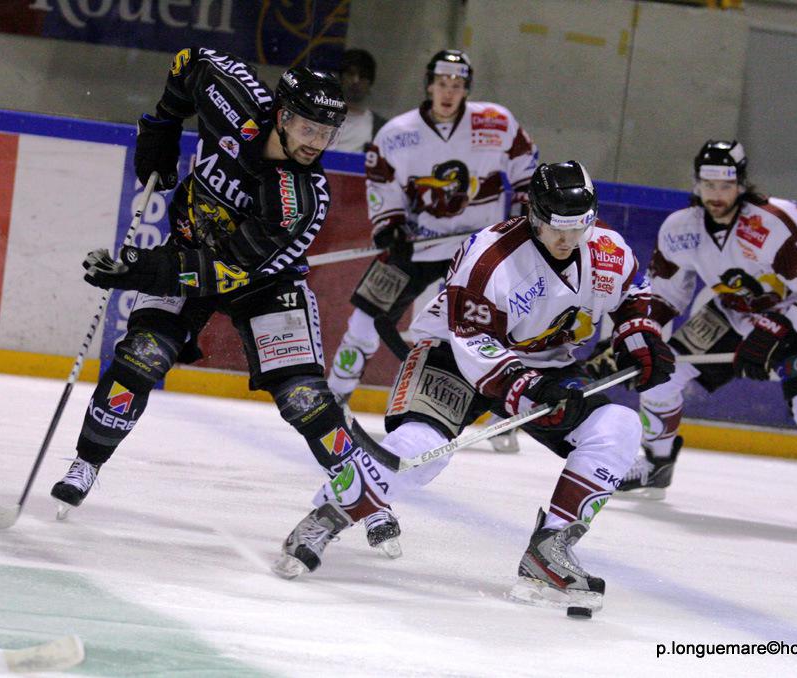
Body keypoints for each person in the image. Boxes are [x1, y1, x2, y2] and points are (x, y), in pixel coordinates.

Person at [276, 161, 676, 612]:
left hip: (542, 365)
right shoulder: (490, 258)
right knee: (419, 451)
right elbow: (474, 344)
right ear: (533, 215)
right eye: (555, 229)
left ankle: (551, 546)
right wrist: (529, 388)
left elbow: (633, 295)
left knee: (619, 425)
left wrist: (640, 337)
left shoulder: (608, 250)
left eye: (577, 227)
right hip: (453, 354)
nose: (567, 240)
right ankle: (327, 516)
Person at [50, 48, 399, 556]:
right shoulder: (234, 99)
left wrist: (137, 270)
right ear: (282, 115)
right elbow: (189, 62)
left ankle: (364, 497)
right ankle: (87, 462)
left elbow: (226, 271)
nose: (316, 143)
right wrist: (164, 125)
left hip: (264, 283)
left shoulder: (301, 199)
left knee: (303, 396)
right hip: (190, 246)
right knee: (142, 356)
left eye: (328, 134)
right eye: (308, 128)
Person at [590, 139, 797, 545]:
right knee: (663, 375)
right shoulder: (681, 230)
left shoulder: (775, 222)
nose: (716, 195)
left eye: (725, 185)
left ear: (742, 183)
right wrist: (637, 332)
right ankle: (656, 465)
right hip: (732, 315)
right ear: (696, 183)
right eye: (708, 185)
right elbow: (664, 296)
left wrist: (774, 332)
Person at [326, 48, 539, 465]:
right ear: (428, 84)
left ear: (467, 89)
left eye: (457, 85)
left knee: (495, 332)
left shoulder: (494, 122)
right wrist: (389, 225)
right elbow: (381, 181)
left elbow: (525, 165)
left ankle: (502, 418)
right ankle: (334, 398)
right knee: (366, 314)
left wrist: (524, 210)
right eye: (442, 83)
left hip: (477, 251)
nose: (448, 91)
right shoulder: (397, 134)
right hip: (417, 244)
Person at [332, 48, 387, 153]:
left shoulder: (380, 127)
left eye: (363, 76)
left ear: (370, 82)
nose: (355, 81)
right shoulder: (321, 117)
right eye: (350, 73)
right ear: (341, 77)